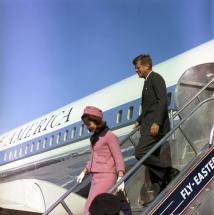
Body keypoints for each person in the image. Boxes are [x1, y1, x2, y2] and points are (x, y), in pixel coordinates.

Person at [132, 54, 179, 196]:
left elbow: (162, 101)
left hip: (154, 127)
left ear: (147, 66)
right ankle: (160, 192)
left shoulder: (155, 78)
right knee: (153, 159)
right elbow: (149, 107)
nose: (136, 70)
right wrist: (139, 120)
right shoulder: (147, 82)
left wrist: (157, 122)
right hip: (148, 124)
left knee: (140, 153)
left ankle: (170, 171)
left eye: (138, 67)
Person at [76, 106, 125, 214]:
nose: (88, 127)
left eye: (89, 124)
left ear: (97, 121)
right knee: (90, 209)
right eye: (86, 125)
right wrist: (83, 172)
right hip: (95, 178)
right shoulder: (94, 138)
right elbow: (93, 159)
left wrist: (121, 177)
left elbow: (118, 157)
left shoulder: (109, 136)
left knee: (91, 209)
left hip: (107, 176)